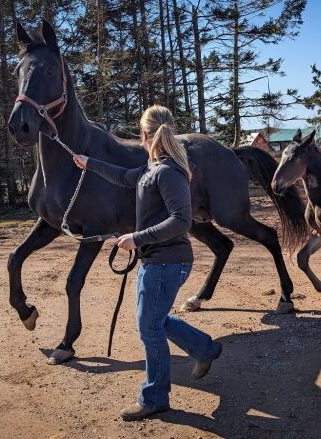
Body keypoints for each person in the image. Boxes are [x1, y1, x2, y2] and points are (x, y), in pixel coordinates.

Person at [72, 105, 222, 421]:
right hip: (157, 261)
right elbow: (123, 177)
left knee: (149, 326)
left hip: (168, 263)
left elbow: (182, 221)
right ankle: (206, 349)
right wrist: (88, 164)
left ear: (143, 135)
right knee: (154, 321)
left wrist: (137, 238)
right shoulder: (150, 168)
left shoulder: (168, 172)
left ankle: (154, 397)